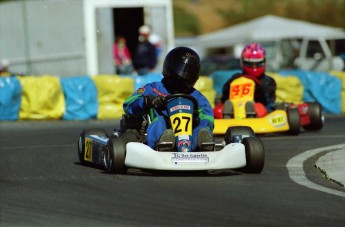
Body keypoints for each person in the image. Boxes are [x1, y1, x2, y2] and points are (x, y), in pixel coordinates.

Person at [123, 46, 214, 151]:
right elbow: (128, 105)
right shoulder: (153, 89)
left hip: (187, 134)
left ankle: (202, 144)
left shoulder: (196, 96)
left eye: (189, 72)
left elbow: (208, 117)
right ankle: (163, 143)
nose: (184, 75)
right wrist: (147, 101)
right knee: (160, 121)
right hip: (160, 128)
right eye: (182, 70)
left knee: (200, 127)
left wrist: (198, 120)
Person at [220, 43, 276, 117]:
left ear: (264, 62)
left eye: (257, 64)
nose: (254, 67)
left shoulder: (268, 81)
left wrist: (259, 89)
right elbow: (224, 95)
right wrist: (230, 85)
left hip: (261, 111)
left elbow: (269, 101)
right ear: (242, 62)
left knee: (259, 108)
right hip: (235, 108)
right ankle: (228, 114)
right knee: (218, 109)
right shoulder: (236, 78)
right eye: (250, 64)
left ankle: (251, 113)